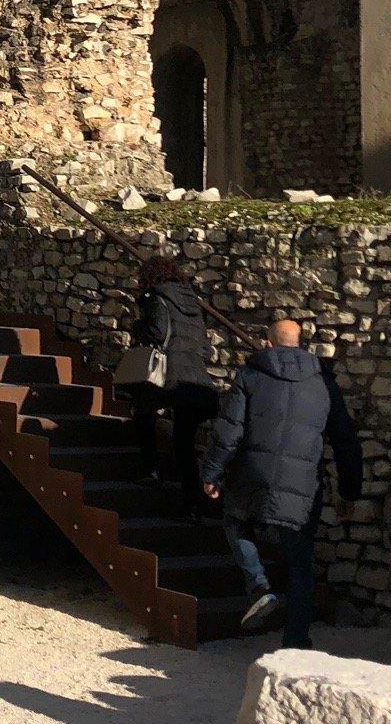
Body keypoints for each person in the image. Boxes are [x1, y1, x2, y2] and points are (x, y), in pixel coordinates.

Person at [201, 319, 363, 641]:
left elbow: (228, 431)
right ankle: (296, 642)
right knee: (300, 561)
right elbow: (345, 439)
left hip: (252, 478)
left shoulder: (250, 375)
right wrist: (349, 493)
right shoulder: (323, 381)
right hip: (303, 486)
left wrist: (212, 473)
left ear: (268, 342)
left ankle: (259, 586)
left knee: (235, 521)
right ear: (300, 343)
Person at [125, 255, 219, 508]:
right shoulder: (191, 301)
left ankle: (152, 470)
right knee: (183, 440)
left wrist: (136, 326)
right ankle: (193, 504)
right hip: (195, 376)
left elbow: (156, 330)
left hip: (169, 372)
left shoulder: (156, 297)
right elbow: (205, 347)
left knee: (143, 411)